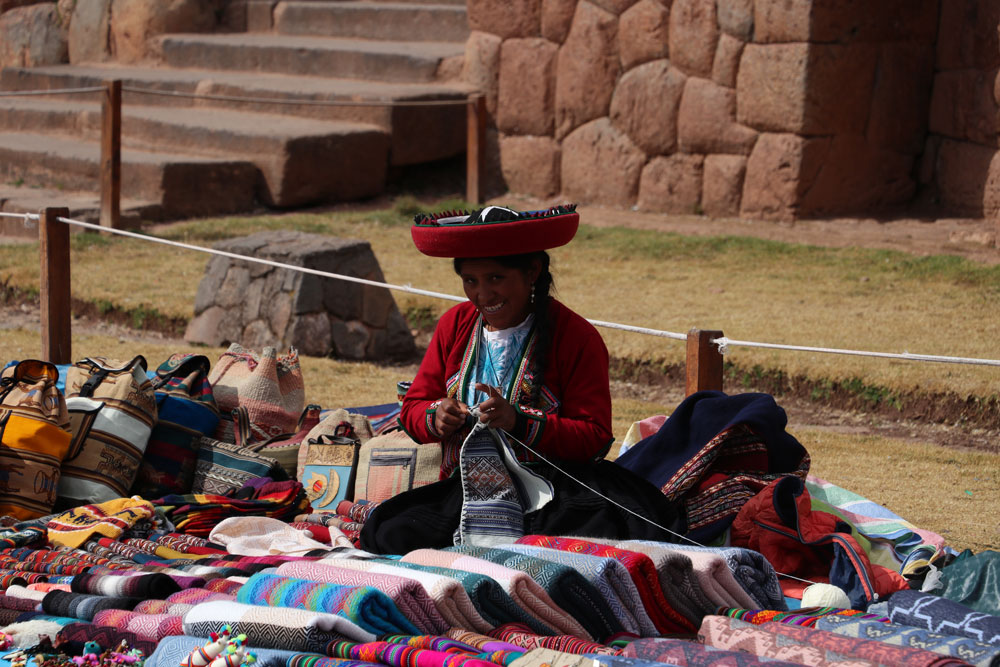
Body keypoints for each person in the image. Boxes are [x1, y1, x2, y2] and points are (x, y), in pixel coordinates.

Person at [359, 205, 683, 554]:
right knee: (387, 531)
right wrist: (437, 415)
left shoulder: (575, 336)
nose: (483, 295)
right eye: (471, 281)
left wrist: (518, 421)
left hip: (557, 488)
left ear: (532, 271)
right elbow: (414, 407)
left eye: (496, 278)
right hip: (469, 490)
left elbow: (594, 436)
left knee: (602, 528)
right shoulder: (454, 325)